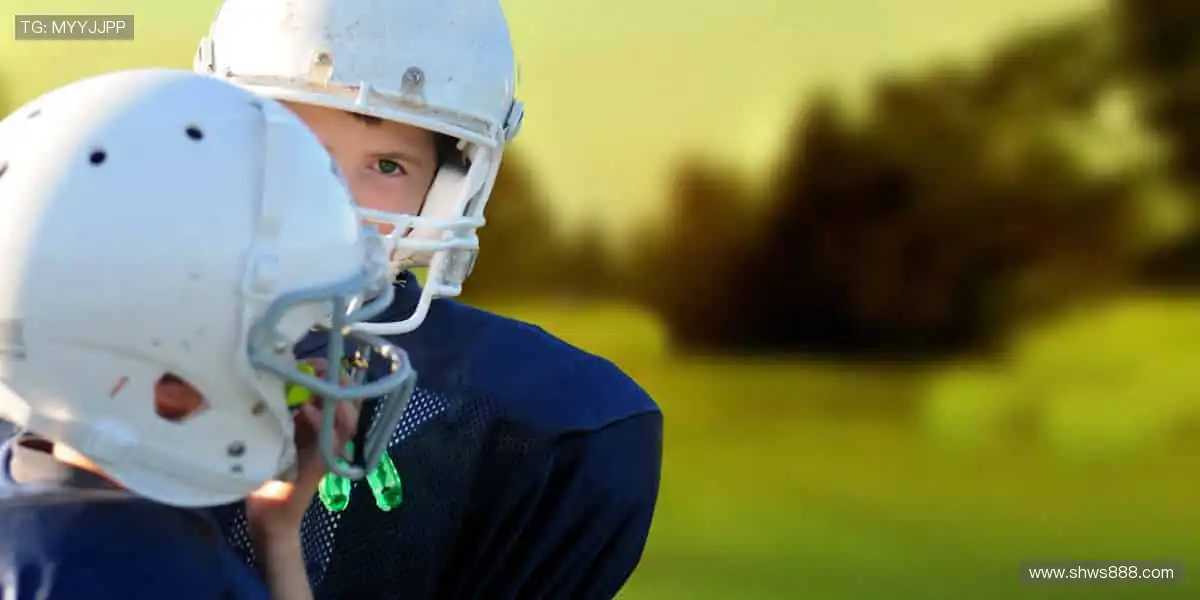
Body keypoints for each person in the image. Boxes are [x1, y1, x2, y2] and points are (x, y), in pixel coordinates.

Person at [194, 0, 665, 597]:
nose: (333, 200)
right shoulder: (99, 338)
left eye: (387, 165)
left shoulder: (532, 423)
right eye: (295, 146)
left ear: (446, 190)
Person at [0, 68, 417, 599]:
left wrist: (277, 531)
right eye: (285, 334)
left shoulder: (47, 500)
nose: (306, 359)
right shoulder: (130, 568)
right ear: (167, 367)